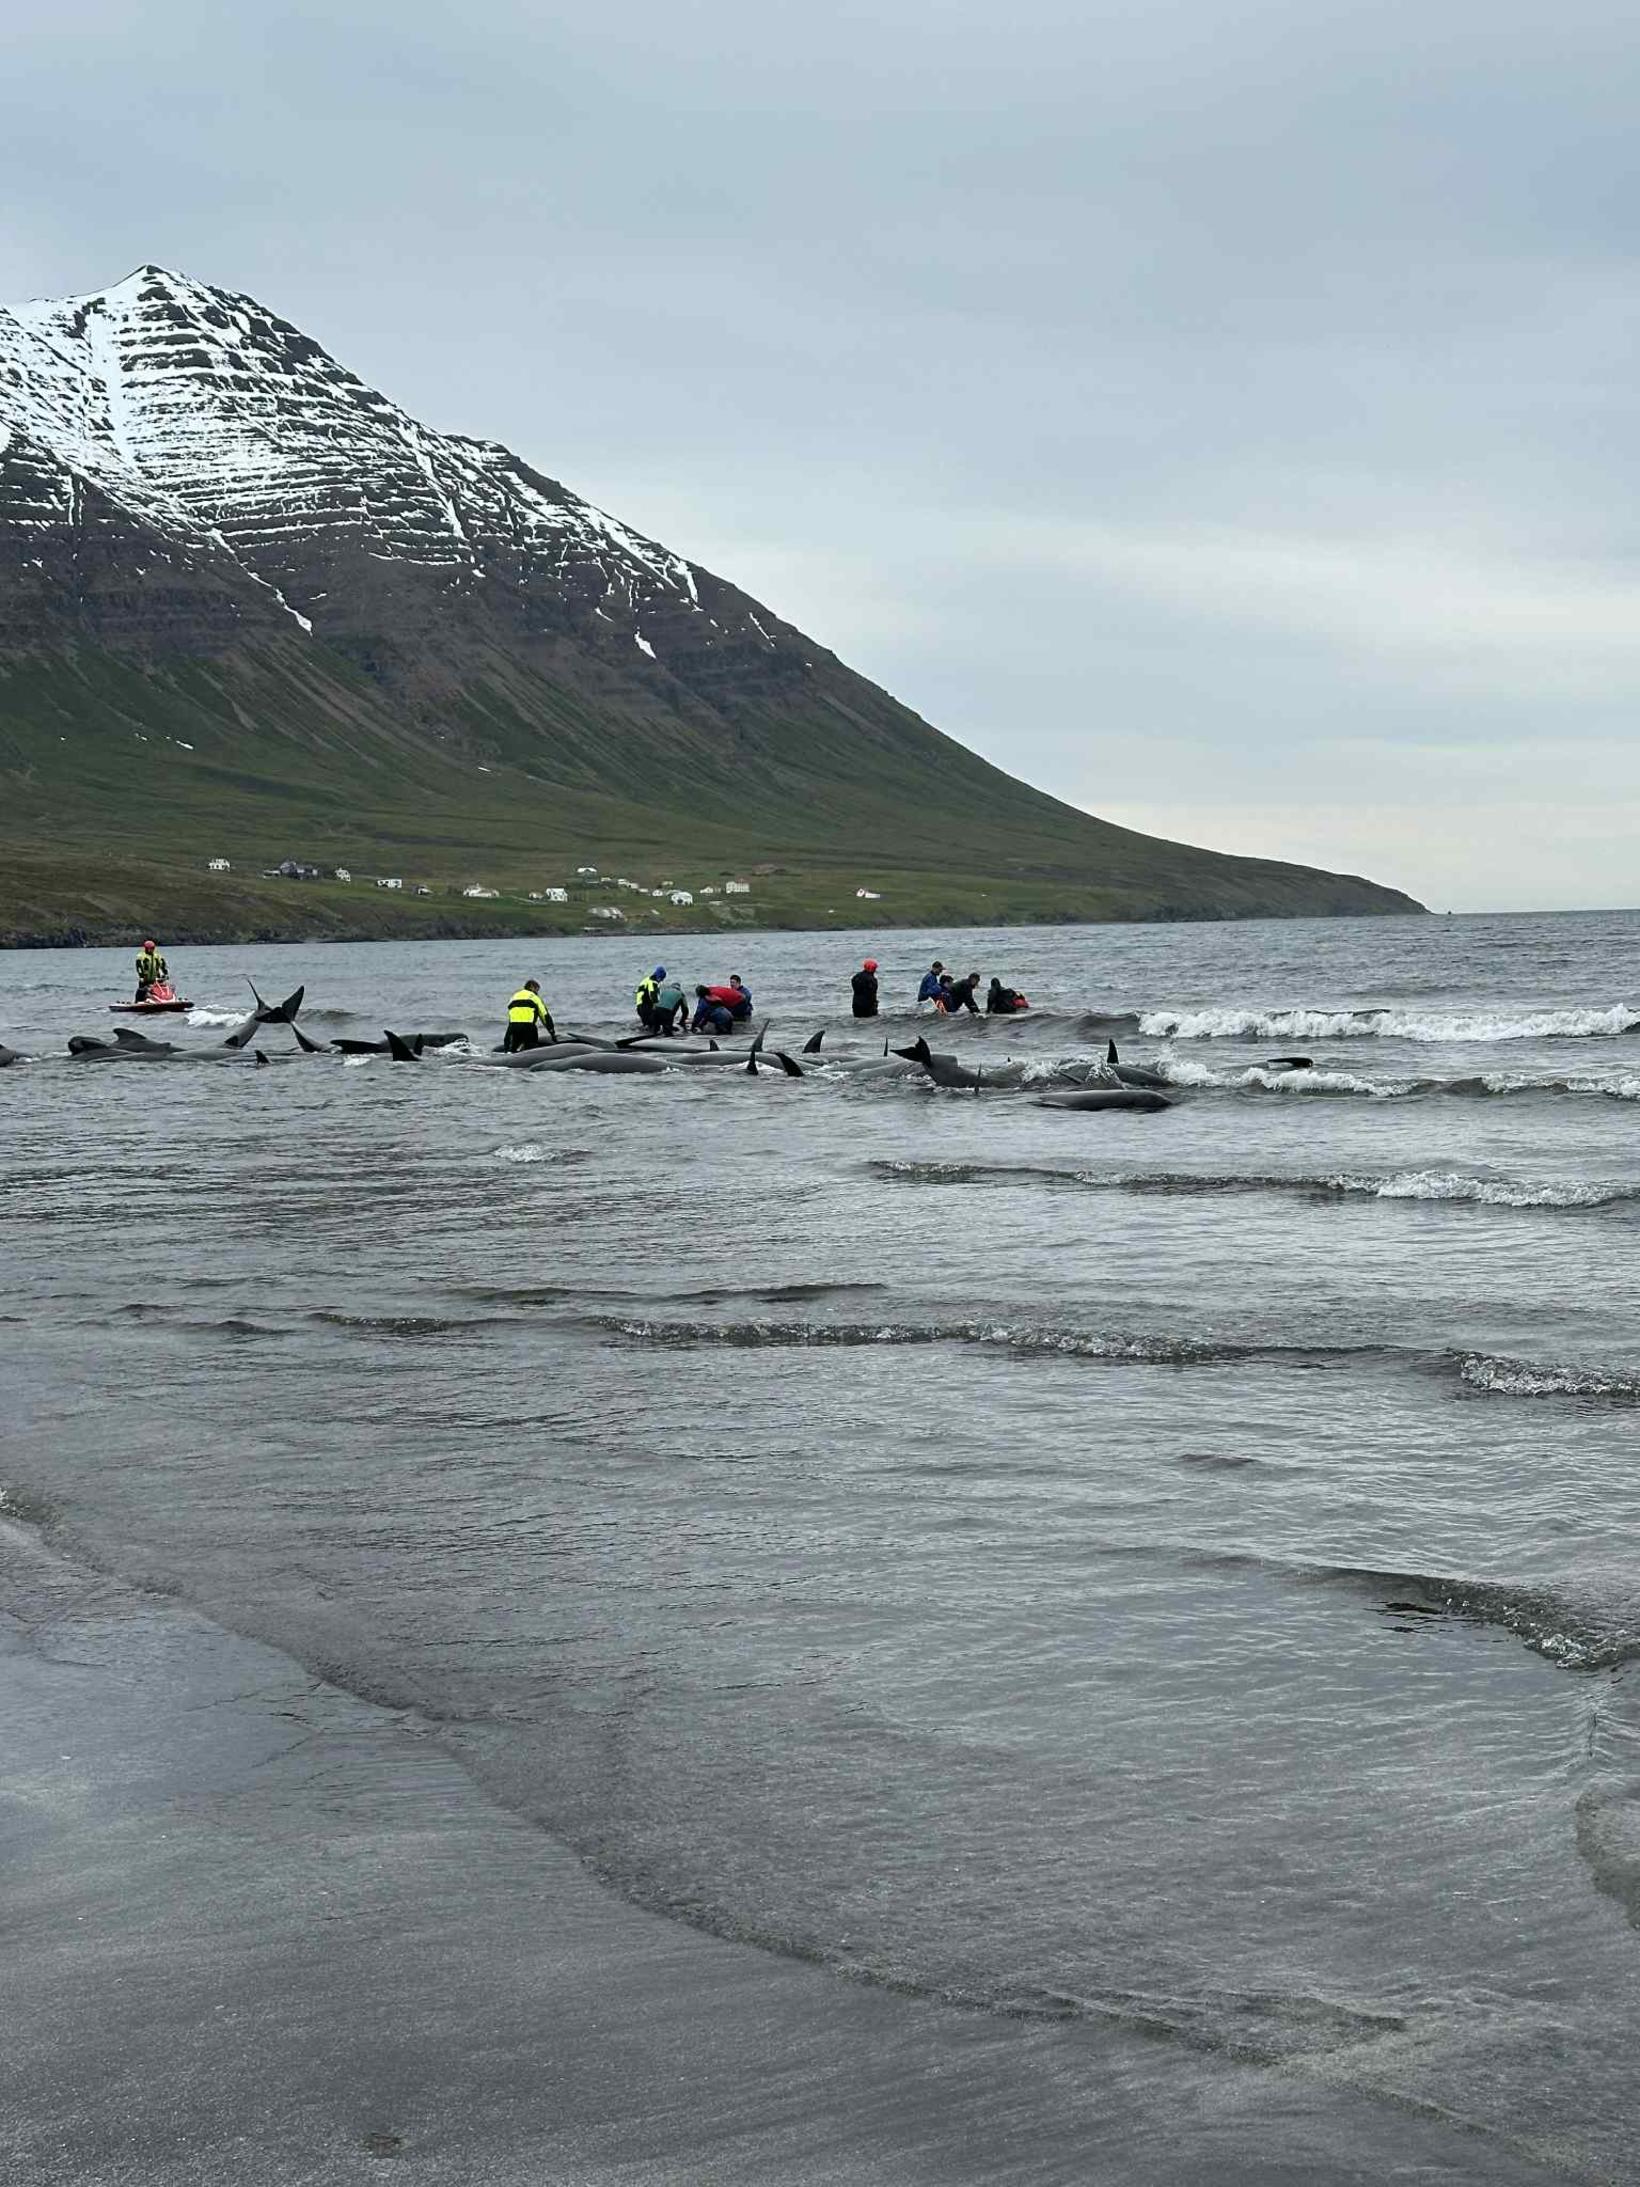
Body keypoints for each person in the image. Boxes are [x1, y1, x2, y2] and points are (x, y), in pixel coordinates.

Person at [503, 978, 556, 1052]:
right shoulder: (534, 997)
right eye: (537, 990)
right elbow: (545, 1016)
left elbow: (511, 1012)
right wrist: (552, 1032)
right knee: (531, 1050)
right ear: (532, 987)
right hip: (528, 1027)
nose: (537, 992)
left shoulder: (514, 996)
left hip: (512, 1027)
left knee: (512, 1050)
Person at [634, 966, 666, 1032]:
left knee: (647, 1024)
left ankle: (645, 1031)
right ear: (659, 976)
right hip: (645, 1006)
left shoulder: (647, 979)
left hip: (640, 1005)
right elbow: (653, 995)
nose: (662, 980)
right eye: (662, 978)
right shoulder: (652, 982)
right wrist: (657, 1006)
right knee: (654, 1024)